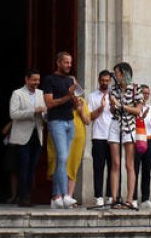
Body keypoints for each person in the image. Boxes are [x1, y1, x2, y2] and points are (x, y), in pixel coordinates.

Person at [40, 51, 78, 209]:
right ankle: (64, 194)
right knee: (62, 157)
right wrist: (68, 97)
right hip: (56, 122)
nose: (69, 65)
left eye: (70, 63)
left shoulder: (70, 80)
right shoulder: (50, 79)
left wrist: (76, 100)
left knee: (63, 160)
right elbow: (49, 103)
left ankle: (56, 197)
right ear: (58, 63)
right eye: (66, 62)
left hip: (70, 122)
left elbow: (74, 104)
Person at [107, 62, 142, 209]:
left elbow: (138, 110)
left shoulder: (135, 88)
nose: (115, 76)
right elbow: (112, 111)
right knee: (115, 164)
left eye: (118, 73)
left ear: (124, 73)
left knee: (129, 164)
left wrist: (122, 106)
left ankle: (129, 199)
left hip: (129, 125)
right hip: (116, 124)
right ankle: (114, 198)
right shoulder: (113, 89)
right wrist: (113, 106)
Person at [46, 86, 90, 205]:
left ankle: (69, 197)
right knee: (60, 162)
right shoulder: (59, 101)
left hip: (77, 138)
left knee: (72, 166)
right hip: (60, 136)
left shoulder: (82, 102)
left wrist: (80, 110)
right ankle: (58, 196)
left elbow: (87, 121)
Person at [8, 69, 45, 207]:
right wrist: (33, 111)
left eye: (38, 80)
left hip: (37, 134)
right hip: (23, 136)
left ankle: (28, 196)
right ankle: (21, 197)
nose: (36, 83)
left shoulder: (41, 93)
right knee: (23, 166)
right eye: (34, 79)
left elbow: (44, 113)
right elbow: (13, 114)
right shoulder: (17, 93)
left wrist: (44, 114)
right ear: (27, 79)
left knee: (32, 167)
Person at [86, 69, 113, 205]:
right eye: (102, 80)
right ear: (98, 80)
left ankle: (110, 195)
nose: (104, 83)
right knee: (98, 166)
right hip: (98, 136)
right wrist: (100, 109)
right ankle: (98, 196)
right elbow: (90, 116)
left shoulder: (113, 95)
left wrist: (112, 104)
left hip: (113, 136)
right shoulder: (92, 96)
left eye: (107, 81)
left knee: (113, 166)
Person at [133, 84, 151, 208]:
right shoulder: (134, 107)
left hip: (149, 141)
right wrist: (141, 117)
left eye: (148, 93)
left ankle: (145, 199)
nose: (146, 95)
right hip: (137, 140)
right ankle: (133, 198)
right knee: (134, 170)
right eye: (144, 93)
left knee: (146, 171)